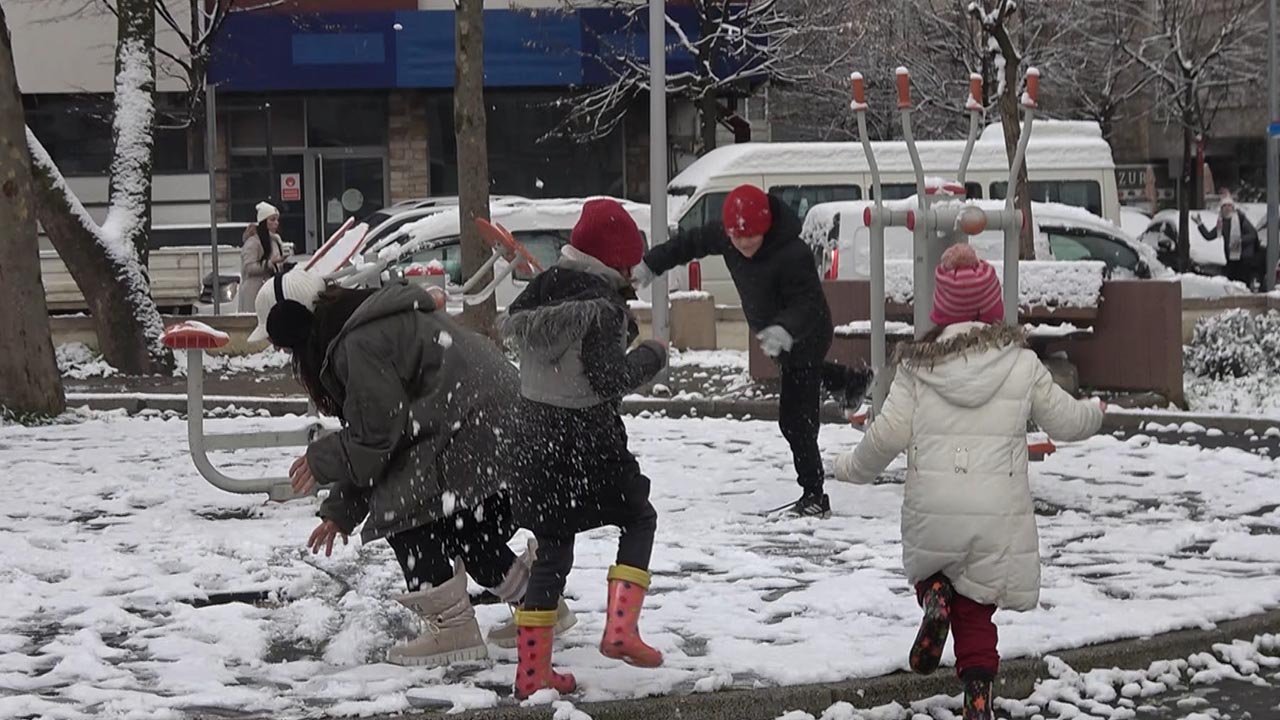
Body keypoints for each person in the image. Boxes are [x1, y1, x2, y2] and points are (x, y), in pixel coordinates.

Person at [247, 269, 574, 667]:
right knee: (468, 529)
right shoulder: (367, 324)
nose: (285, 355)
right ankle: (538, 603)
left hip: (473, 428)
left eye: (282, 344)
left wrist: (320, 459)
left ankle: (451, 629)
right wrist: (340, 513)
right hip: (501, 424)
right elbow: (384, 443)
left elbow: (377, 438)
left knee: (406, 513)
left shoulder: (358, 343)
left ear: (294, 326)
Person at [834, 244, 1104, 720]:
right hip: (997, 513)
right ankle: (978, 695)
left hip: (934, 506)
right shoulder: (1020, 363)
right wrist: (1096, 414)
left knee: (932, 569)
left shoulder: (918, 367)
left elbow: (885, 437)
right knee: (978, 608)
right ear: (993, 309)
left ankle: (933, 597)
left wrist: (848, 467)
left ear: (940, 312)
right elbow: (1065, 421)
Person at [500, 198, 667, 699]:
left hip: (532, 438)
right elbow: (606, 381)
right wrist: (652, 356)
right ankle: (621, 631)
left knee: (552, 548)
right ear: (614, 259)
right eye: (629, 264)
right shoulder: (599, 308)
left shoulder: (538, 294)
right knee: (639, 517)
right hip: (584, 439)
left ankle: (533, 674)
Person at [635, 184, 872, 518]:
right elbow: (689, 243)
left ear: (765, 228)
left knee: (795, 420)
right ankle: (851, 383)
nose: (744, 245)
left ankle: (814, 494)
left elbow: (806, 303)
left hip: (806, 331)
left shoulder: (792, 253)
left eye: (752, 238)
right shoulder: (726, 234)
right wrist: (651, 264)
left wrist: (785, 329)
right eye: (737, 238)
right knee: (797, 377)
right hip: (774, 331)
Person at [1198, 194, 1260, 288]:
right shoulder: (1222, 222)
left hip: (1245, 257)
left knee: (1242, 282)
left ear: (1233, 207)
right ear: (1221, 209)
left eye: (1229, 205)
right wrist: (1200, 224)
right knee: (1232, 282)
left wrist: (1240, 240)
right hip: (1231, 258)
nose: (1227, 208)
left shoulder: (1240, 218)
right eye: (1224, 206)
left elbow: (1253, 235)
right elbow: (1209, 236)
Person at [240, 201, 286, 312]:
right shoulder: (253, 242)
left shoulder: (274, 241)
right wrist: (270, 263)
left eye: (277, 219)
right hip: (254, 291)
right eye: (272, 220)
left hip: (269, 290)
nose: (276, 223)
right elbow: (249, 268)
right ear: (263, 222)